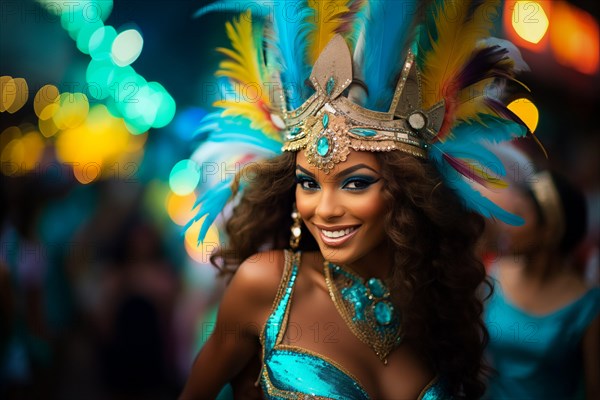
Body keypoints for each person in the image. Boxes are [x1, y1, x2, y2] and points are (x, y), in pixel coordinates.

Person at [181, 1, 532, 398]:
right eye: (309, 184)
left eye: (355, 184)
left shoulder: (436, 302)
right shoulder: (267, 285)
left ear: (407, 194)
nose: (326, 210)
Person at [483, 171, 600, 400]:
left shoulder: (587, 306)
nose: (507, 223)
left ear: (549, 230)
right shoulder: (496, 273)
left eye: (518, 214)